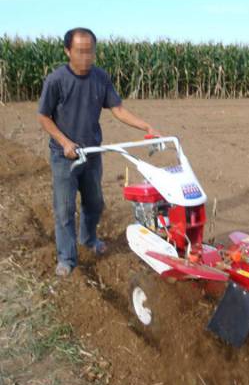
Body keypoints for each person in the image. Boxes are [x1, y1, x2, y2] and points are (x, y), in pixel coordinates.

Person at [37, 27, 159, 277]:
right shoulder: (56, 80)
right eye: (80, 51)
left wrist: (146, 126)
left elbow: (118, 109)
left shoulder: (100, 78)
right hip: (65, 156)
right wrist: (65, 142)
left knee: (95, 203)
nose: (86, 57)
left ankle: (88, 239)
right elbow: (44, 116)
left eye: (90, 51)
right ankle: (67, 258)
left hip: (92, 153)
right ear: (67, 51)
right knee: (64, 209)